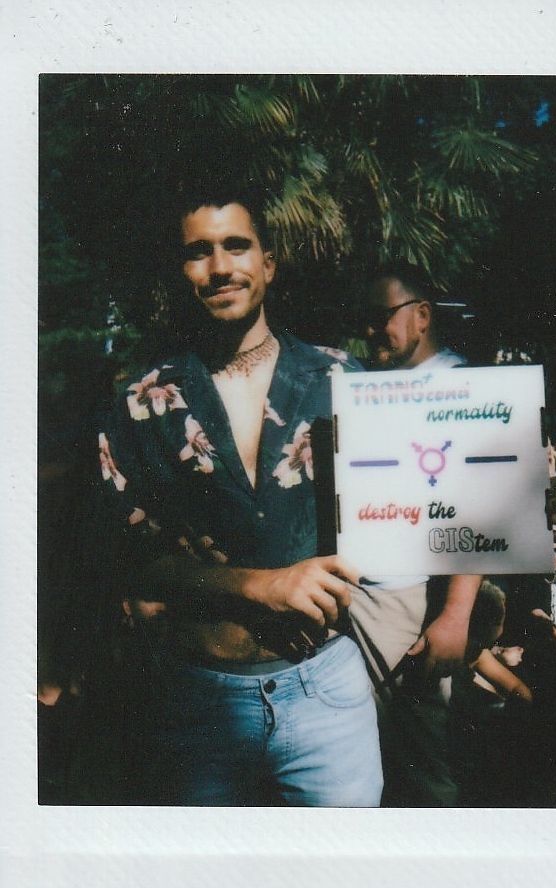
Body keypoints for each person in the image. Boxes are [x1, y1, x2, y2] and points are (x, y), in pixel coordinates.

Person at [97, 176, 383, 807]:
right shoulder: (144, 401)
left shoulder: (342, 379)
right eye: (200, 251)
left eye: (237, 246)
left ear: (268, 263)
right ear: (182, 270)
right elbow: (130, 559)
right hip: (199, 704)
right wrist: (259, 585)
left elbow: (405, 517)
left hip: (327, 695)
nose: (220, 267)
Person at [347, 263, 481, 806]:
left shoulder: (461, 385)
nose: (370, 331)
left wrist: (454, 615)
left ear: (422, 315)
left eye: (382, 317)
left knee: (420, 768)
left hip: (408, 602)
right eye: (363, 321)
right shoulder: (362, 383)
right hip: (346, 594)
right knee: (354, 764)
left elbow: (481, 507)